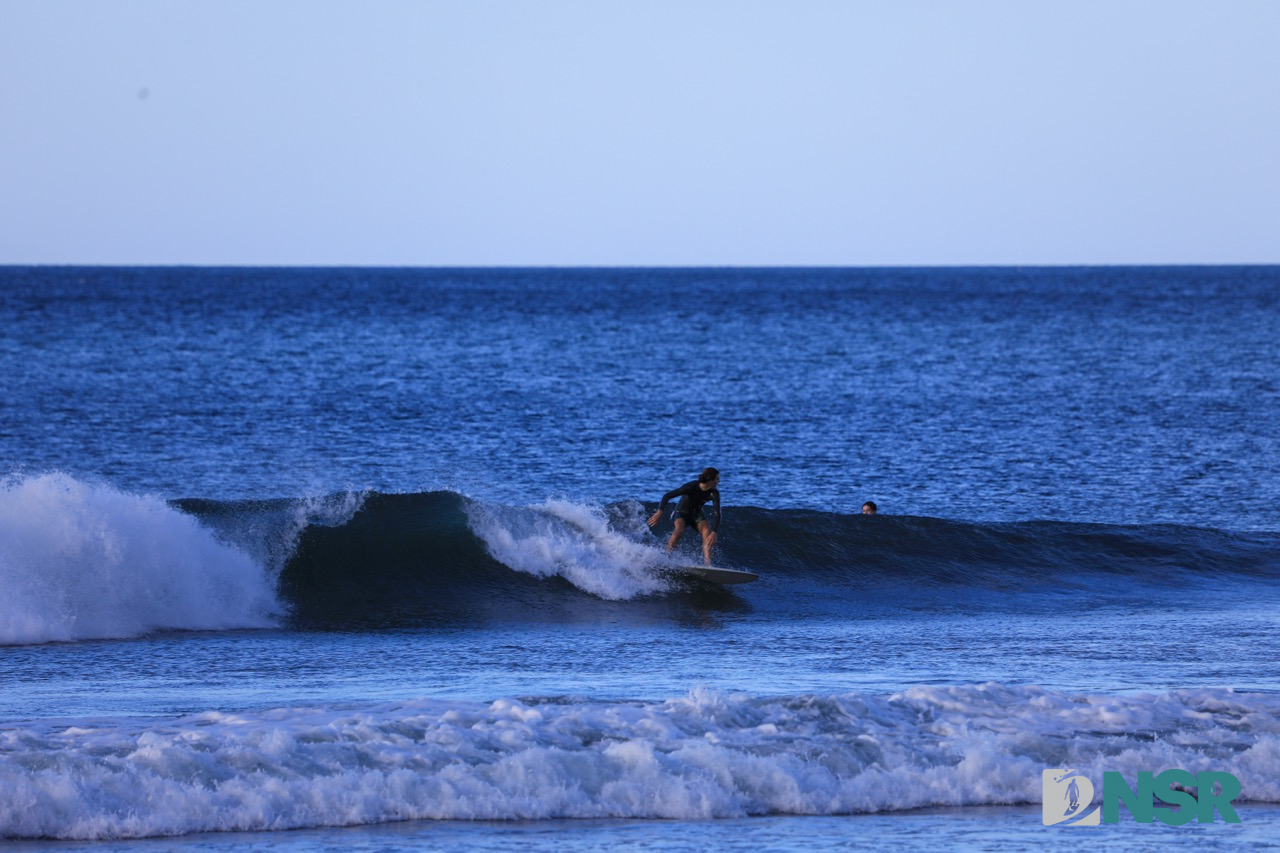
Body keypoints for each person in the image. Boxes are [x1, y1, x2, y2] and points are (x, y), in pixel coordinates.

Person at [648, 467, 721, 566]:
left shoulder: (714, 493)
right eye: (717, 479)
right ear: (710, 480)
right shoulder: (691, 487)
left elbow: (717, 513)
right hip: (681, 511)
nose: (719, 482)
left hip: (696, 513)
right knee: (680, 529)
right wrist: (659, 512)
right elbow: (667, 496)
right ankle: (666, 558)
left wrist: (714, 532)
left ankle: (708, 565)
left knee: (707, 533)